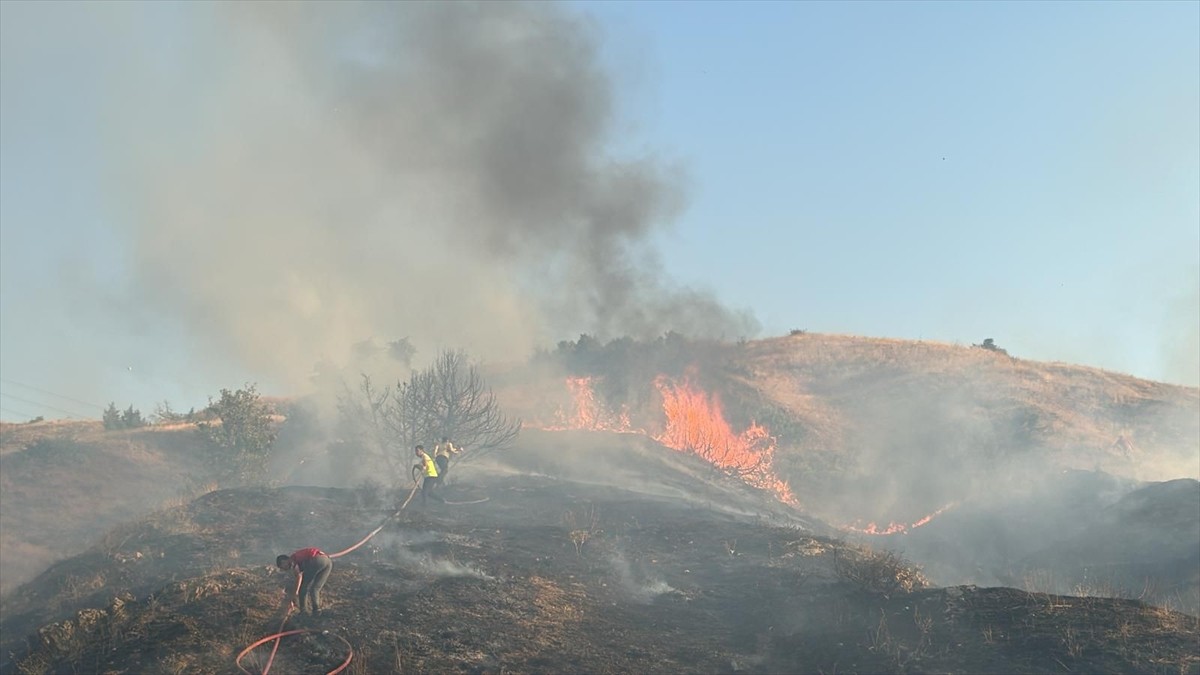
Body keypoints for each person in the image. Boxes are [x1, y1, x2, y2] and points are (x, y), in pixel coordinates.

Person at [275, 547, 333, 615]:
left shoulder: (292, 559)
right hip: (328, 562)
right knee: (315, 588)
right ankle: (317, 610)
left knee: (303, 587)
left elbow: (299, 576)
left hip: (317, 560)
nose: (284, 569)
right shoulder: (296, 559)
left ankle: (303, 611)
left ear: (284, 561)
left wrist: (296, 593)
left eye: (282, 567)